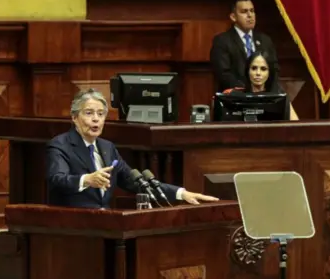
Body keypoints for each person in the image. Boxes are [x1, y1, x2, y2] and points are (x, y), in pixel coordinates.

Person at [47, 89, 218, 209]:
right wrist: (86, 180)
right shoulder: (61, 145)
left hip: (105, 224)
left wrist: (181, 193)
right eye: (89, 113)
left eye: (100, 114)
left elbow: (134, 182)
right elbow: (56, 180)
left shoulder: (107, 148)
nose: (96, 120)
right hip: (72, 227)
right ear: (74, 117)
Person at [210, 0, 279, 92]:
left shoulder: (265, 40)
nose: (250, 15)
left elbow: (274, 69)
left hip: (264, 95)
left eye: (252, 11)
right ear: (233, 17)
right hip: (236, 97)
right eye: (244, 12)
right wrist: (248, 90)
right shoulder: (222, 41)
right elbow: (223, 74)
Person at [222, 50, 299, 121]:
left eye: (263, 69)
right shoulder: (234, 97)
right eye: (254, 68)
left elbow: (296, 126)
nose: (258, 73)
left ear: (270, 72)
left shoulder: (280, 97)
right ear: (247, 71)